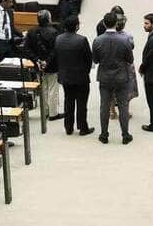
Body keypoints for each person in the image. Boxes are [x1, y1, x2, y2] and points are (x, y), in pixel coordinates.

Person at [91, 12, 134, 145]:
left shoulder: (98, 40)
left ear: (104, 23)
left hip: (105, 77)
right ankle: (125, 135)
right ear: (116, 23)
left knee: (104, 106)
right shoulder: (124, 40)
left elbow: (96, 60)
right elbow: (130, 59)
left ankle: (104, 135)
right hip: (121, 77)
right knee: (123, 106)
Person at [55, 15, 94, 136]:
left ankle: (68, 127)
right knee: (82, 103)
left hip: (65, 76)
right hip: (81, 76)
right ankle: (83, 127)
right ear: (77, 26)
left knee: (68, 101)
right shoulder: (82, 40)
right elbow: (88, 59)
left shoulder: (58, 39)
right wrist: (85, 72)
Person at [24, 10, 62, 121]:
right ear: (49, 19)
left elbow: (27, 49)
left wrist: (37, 60)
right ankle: (53, 113)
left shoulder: (31, 32)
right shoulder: (54, 32)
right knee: (53, 89)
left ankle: (45, 112)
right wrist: (47, 61)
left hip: (38, 65)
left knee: (43, 89)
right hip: (52, 65)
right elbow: (55, 50)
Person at [115, 14, 138, 117]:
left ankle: (112, 111)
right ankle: (125, 112)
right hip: (125, 66)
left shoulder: (106, 36)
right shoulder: (128, 37)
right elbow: (131, 48)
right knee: (126, 89)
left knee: (112, 89)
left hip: (113, 65)